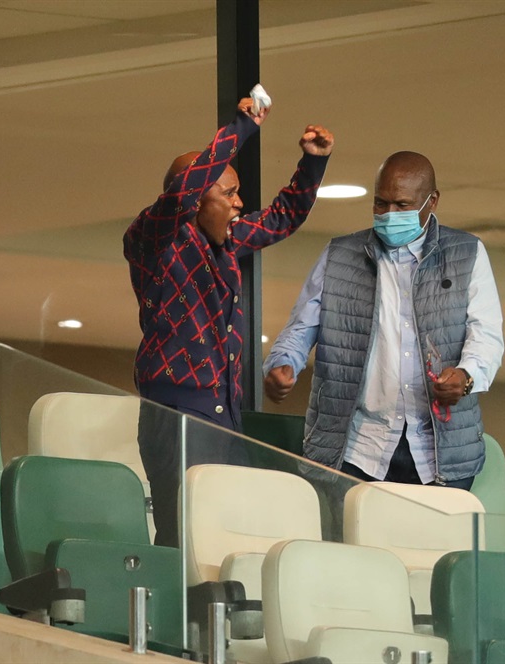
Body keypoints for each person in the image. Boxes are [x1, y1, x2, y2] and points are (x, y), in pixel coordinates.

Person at [123, 96, 333, 546]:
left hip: (225, 413)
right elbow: (178, 195)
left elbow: (281, 219)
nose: (240, 202)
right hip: (177, 412)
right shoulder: (153, 240)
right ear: (198, 196)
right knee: (184, 539)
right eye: (229, 191)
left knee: (225, 539)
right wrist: (240, 128)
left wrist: (312, 165)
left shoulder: (227, 240)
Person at [264, 151, 504, 496]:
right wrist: (282, 363)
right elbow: (301, 327)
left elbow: (487, 336)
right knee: (352, 548)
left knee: (431, 550)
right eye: (381, 203)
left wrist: (466, 376)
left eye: (402, 205)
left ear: (431, 201)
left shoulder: (467, 254)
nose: (389, 214)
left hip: (440, 453)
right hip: (356, 448)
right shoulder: (339, 255)